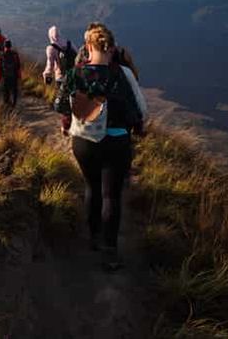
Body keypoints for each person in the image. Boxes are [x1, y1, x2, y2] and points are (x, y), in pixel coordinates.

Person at [54, 24, 147, 271]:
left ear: (88, 47)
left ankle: (93, 238)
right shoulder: (121, 74)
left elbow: (60, 105)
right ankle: (110, 253)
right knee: (111, 196)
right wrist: (133, 125)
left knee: (91, 188)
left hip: (83, 142)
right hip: (116, 143)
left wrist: (75, 116)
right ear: (112, 47)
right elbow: (137, 112)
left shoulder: (76, 73)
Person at [0, 40, 21, 106]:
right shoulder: (15, 54)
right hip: (14, 75)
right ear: (10, 46)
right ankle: (14, 103)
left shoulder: (2, 55)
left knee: (6, 90)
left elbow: (0, 66)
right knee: (14, 90)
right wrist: (19, 75)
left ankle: (6, 104)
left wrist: (0, 76)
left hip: (6, 76)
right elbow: (18, 65)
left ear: (4, 46)